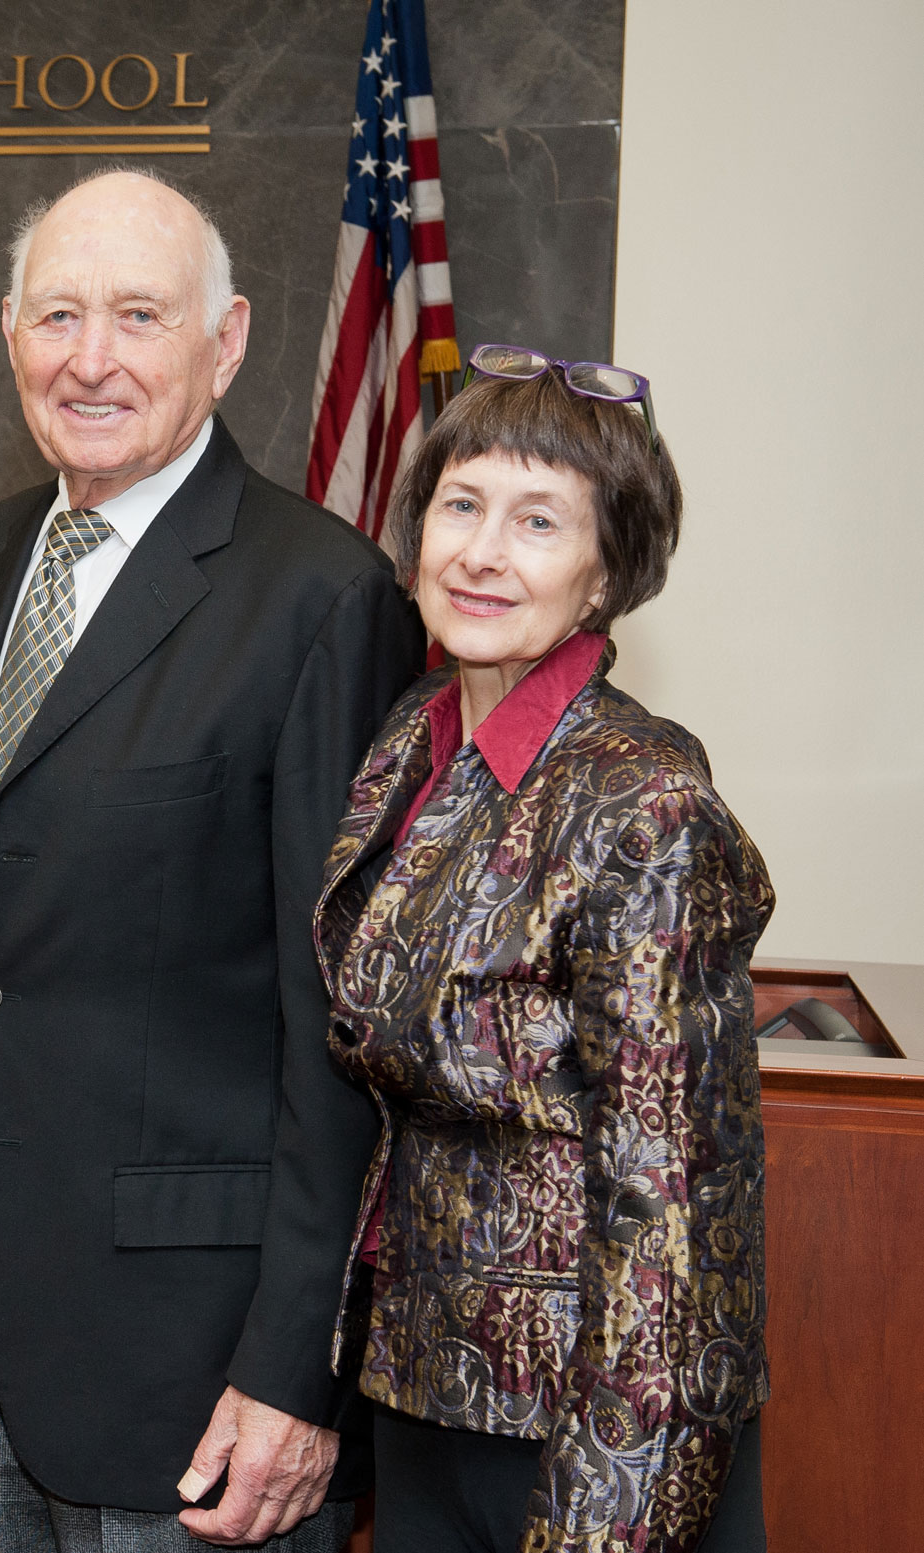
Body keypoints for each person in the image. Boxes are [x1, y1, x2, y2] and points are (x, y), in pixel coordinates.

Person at [0, 165, 425, 1551]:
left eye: (137, 315)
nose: (92, 359)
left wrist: (295, 1372)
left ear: (225, 341)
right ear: (7, 332)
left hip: (205, 1373)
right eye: (58, 316)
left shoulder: (322, 597)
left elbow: (342, 1030)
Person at [316, 349, 771, 1552]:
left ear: (606, 571)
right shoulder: (412, 743)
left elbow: (675, 1214)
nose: (481, 551)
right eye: (460, 505)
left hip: (595, 1433)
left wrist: (604, 1516)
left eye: (537, 520)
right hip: (426, 1395)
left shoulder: (645, 800)